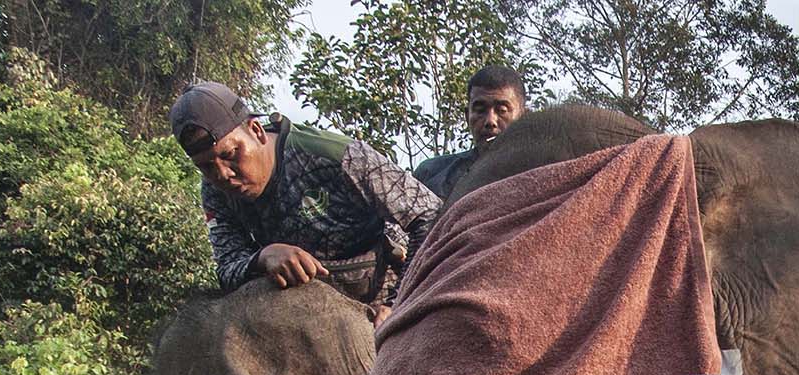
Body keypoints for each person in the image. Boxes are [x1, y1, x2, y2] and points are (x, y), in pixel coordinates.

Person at [168, 81, 440, 303]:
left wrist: (399, 305)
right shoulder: (215, 189)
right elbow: (227, 269)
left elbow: (431, 216)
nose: (223, 174)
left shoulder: (336, 156)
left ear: (256, 130)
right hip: (297, 310)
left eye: (231, 154)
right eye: (205, 166)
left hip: (380, 294)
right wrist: (263, 257)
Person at [414, 65, 529, 200]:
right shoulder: (432, 173)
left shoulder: (540, 173)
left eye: (502, 110)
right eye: (480, 110)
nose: (490, 121)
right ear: (467, 115)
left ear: (524, 118)